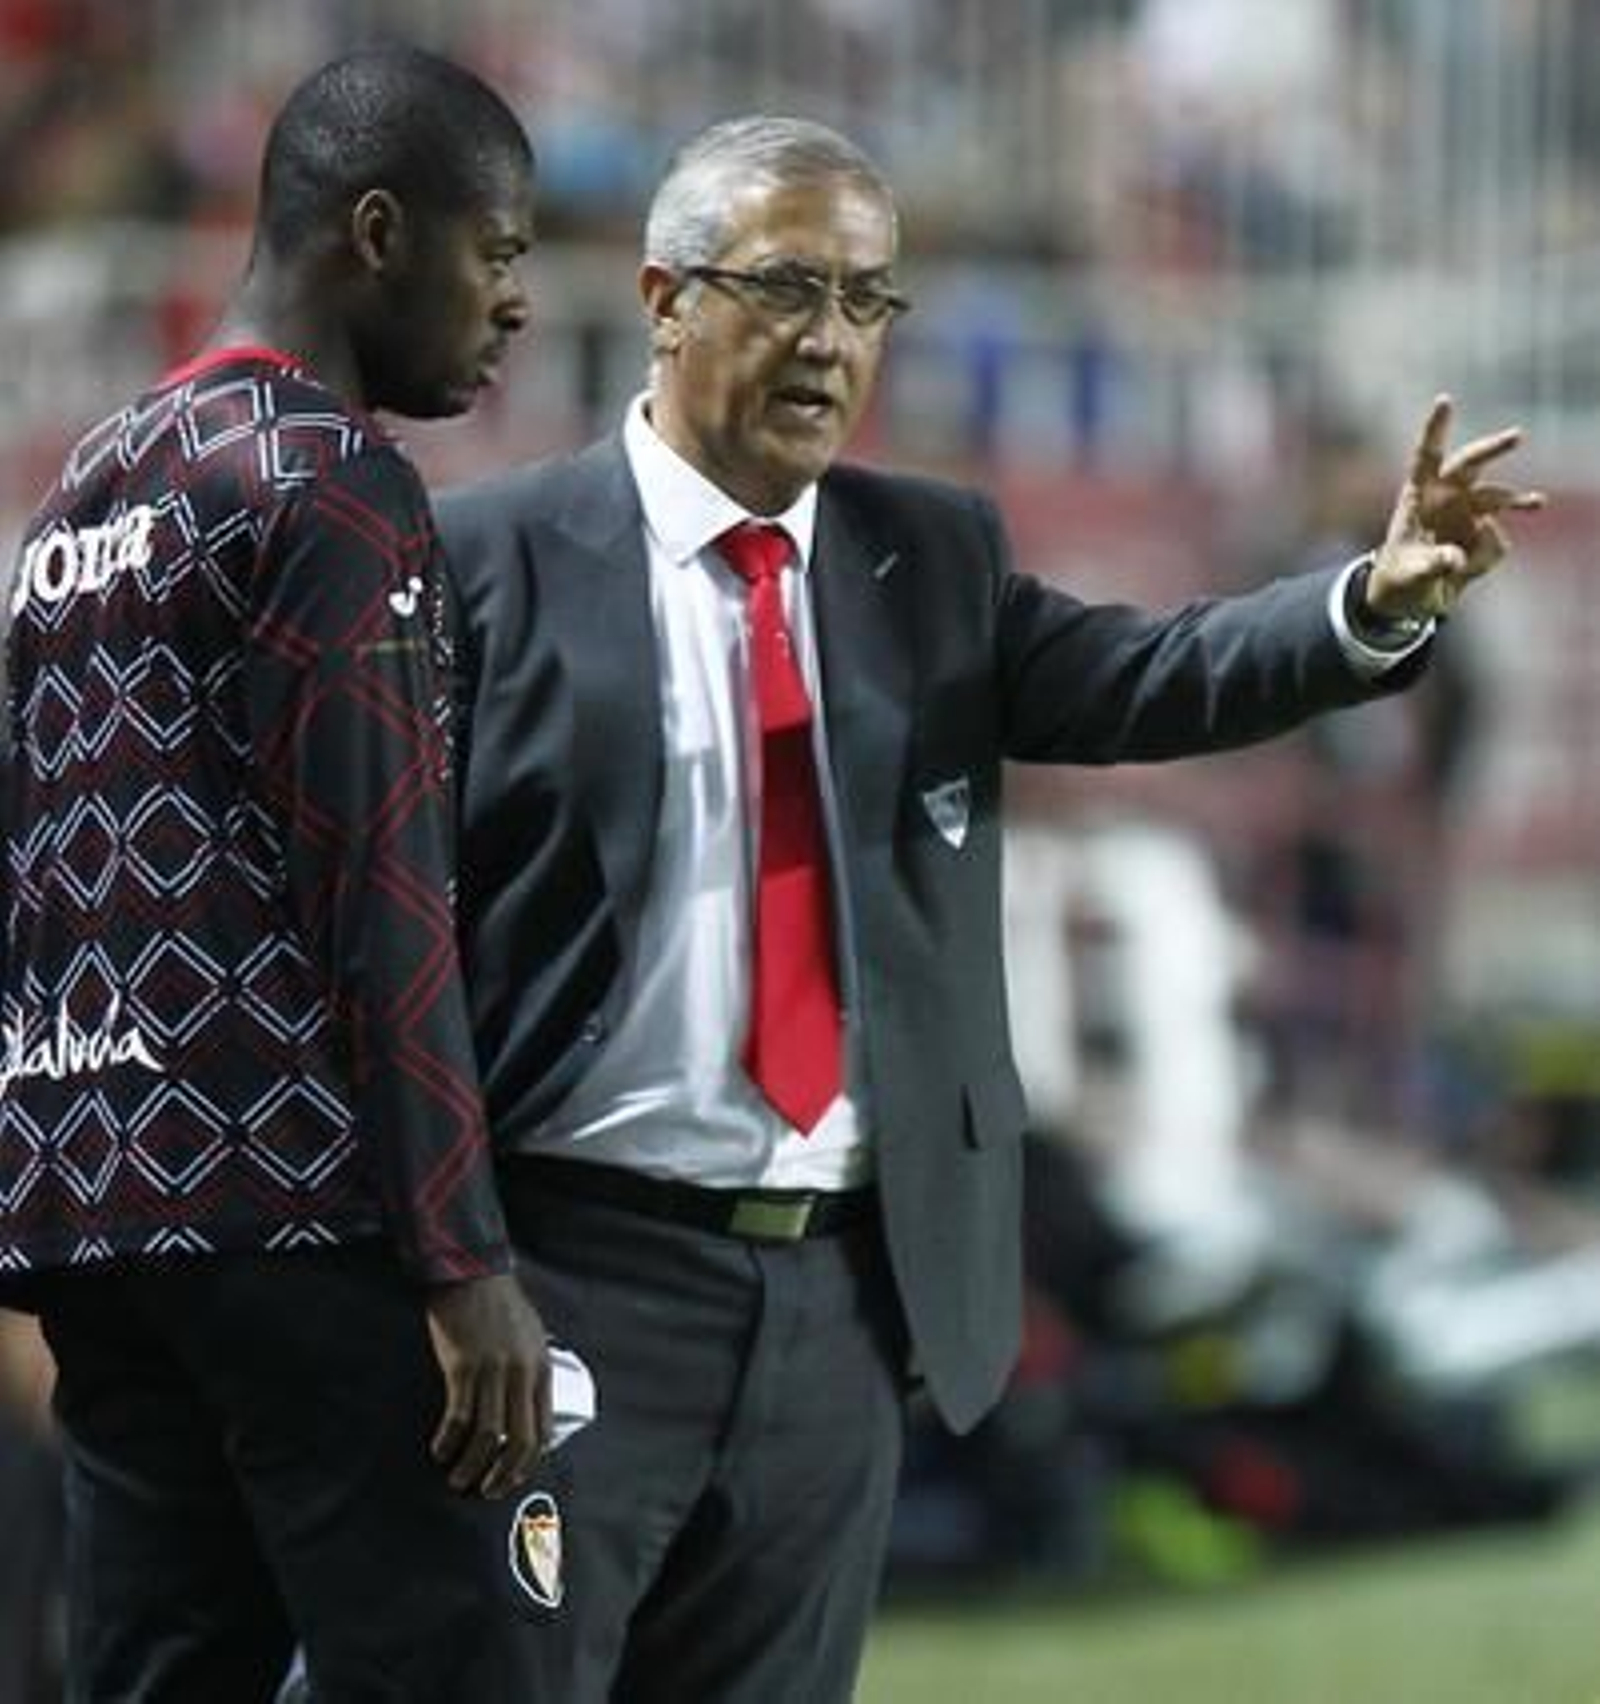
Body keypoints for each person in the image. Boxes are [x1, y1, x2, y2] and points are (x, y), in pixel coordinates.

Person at [436, 114, 1542, 1703]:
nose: (831, 340)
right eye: (788, 289)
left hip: (836, 1290)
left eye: (868, 301)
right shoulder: (488, 562)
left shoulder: (924, 558)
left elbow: (1153, 677)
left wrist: (1368, 604)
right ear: (666, 296)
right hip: (572, 1275)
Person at [0, 45, 610, 1703]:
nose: (514, 308)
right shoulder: (330, 486)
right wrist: (465, 1261)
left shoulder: (83, 493)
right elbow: (382, 892)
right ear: (379, 231)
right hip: (297, 1210)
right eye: (496, 254)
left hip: (99, 1212)